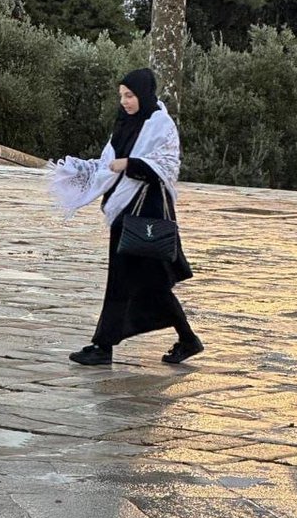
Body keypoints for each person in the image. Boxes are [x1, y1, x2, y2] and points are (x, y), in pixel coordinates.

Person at [48, 68, 203, 367]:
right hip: (124, 213)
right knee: (139, 283)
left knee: (140, 282)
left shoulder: (161, 125)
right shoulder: (125, 124)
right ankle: (183, 339)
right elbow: (108, 163)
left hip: (147, 213)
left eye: (130, 95)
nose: (125, 101)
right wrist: (84, 171)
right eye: (122, 96)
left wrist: (130, 164)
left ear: (144, 94)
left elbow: (167, 166)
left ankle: (105, 346)